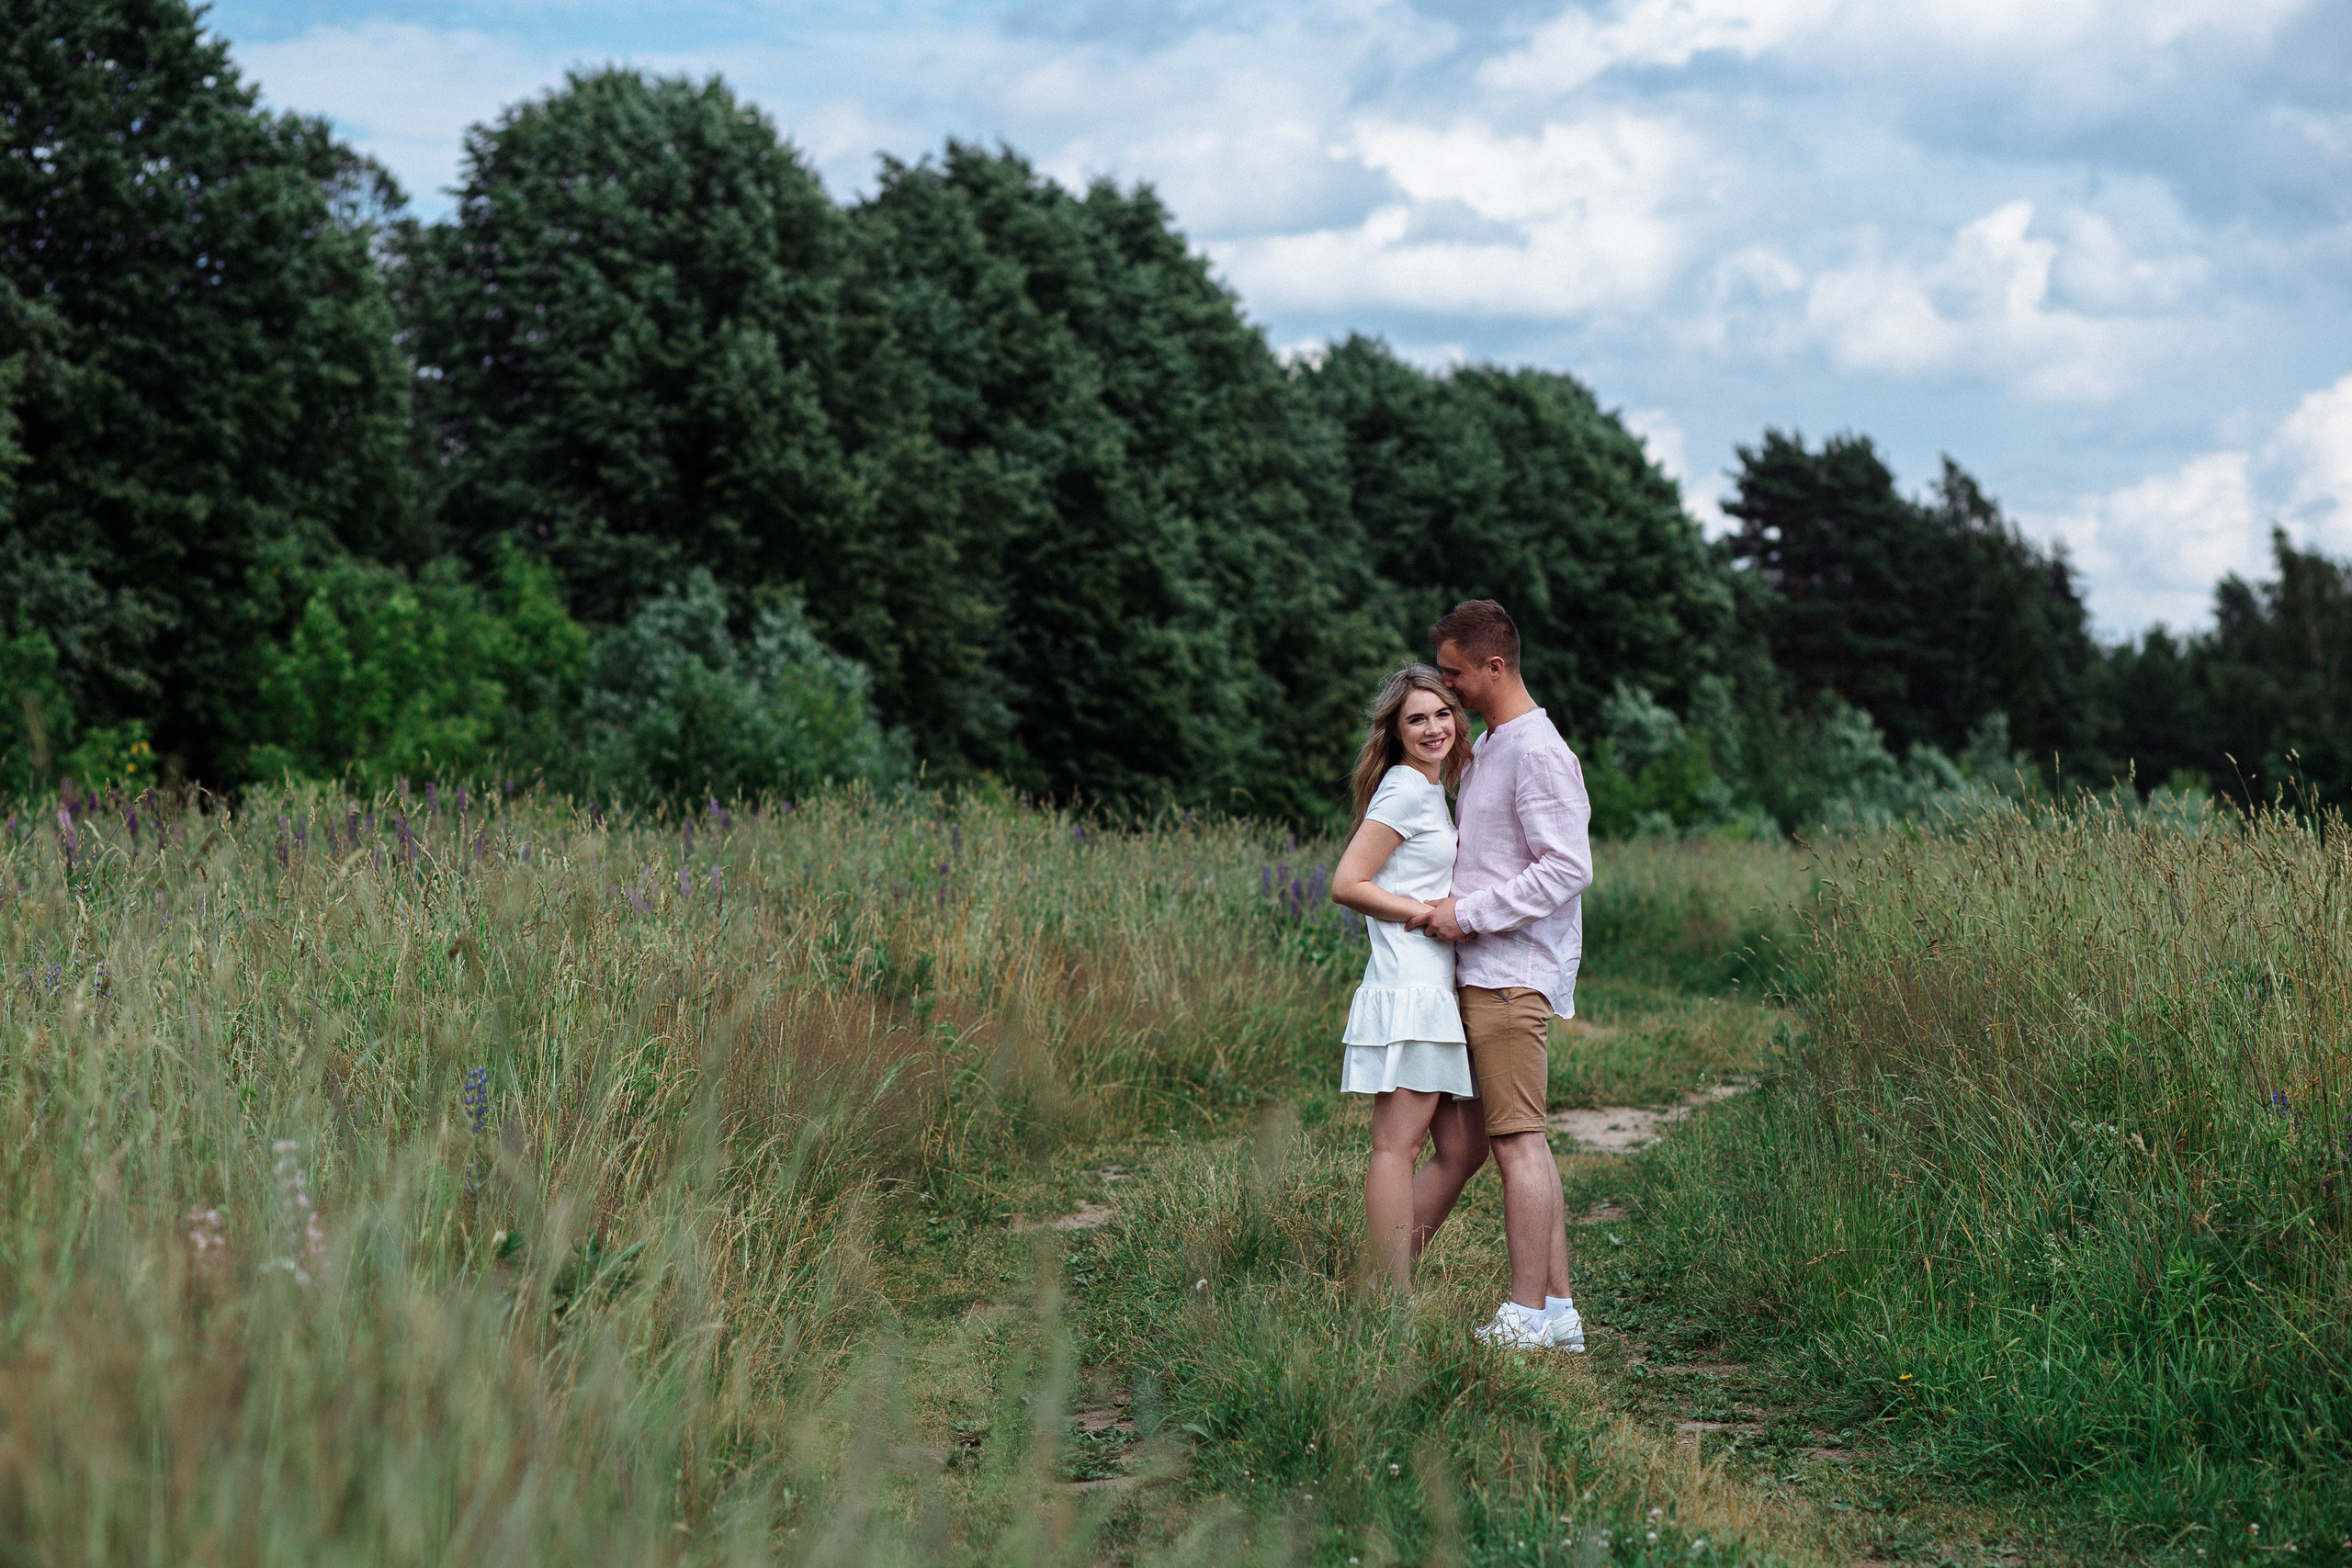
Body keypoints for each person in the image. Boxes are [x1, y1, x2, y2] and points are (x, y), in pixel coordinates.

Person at [1408, 599, 1593, 1351]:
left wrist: (1469, 912)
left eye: (1455, 672)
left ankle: (1523, 1316)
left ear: (1495, 664)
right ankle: (1557, 1312)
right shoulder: (1491, 744)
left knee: (1521, 1142)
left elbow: (1568, 867)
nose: (1446, 688)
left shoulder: (1537, 750)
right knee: (1517, 1141)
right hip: (1482, 968)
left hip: (1511, 973)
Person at [1329, 666, 1490, 1292]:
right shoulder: (1402, 788)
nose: (1432, 727)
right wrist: (1427, 913)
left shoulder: (1429, 790)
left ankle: (1373, 1282)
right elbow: (1348, 883)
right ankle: (1387, 1307)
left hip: (1435, 986)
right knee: (1396, 1147)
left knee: (1464, 1146)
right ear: (1395, 731)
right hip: (1410, 986)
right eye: (1416, 718)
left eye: (1441, 713)